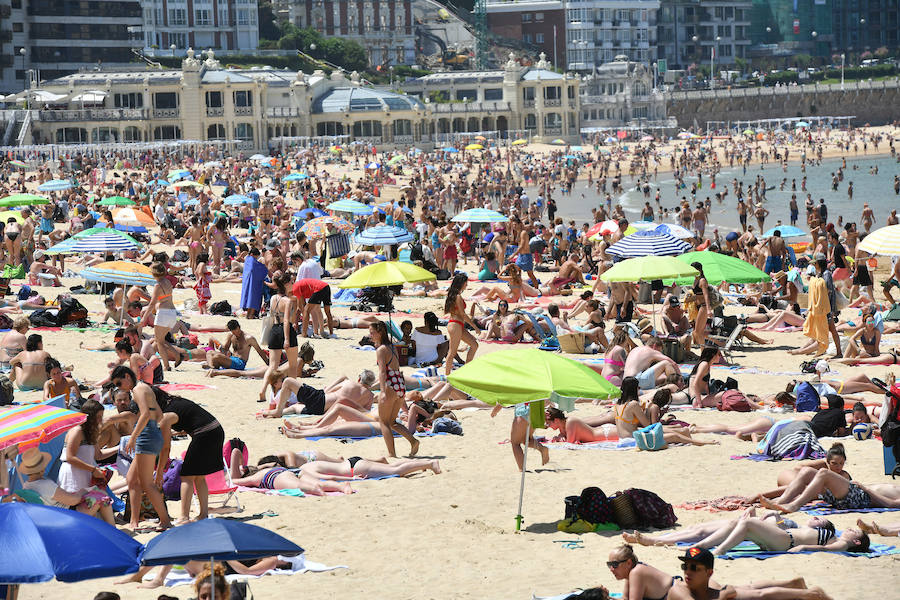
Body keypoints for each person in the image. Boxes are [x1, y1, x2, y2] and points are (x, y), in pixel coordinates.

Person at [110, 366, 172, 532]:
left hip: (146, 435)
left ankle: (165, 520)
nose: (119, 387)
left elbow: (144, 414)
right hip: (151, 433)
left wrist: (133, 437)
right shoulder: (146, 387)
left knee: (146, 483)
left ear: (126, 376)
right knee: (131, 479)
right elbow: (158, 415)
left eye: (119, 382)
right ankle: (134, 520)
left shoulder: (137, 389)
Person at [155, 390, 225, 523]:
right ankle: (203, 514)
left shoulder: (166, 416)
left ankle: (184, 516)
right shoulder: (176, 402)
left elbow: (166, 449)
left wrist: (159, 472)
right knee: (199, 476)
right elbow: (191, 419)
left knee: (187, 476)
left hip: (204, 434)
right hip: (216, 430)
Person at [668, 546, 835, 600]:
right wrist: (723, 595)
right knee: (748, 589)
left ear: (709, 572)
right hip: (713, 592)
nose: (687, 572)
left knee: (757, 593)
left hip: (711, 591)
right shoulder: (678, 590)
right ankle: (795, 585)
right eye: (685, 567)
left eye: (694, 568)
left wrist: (724, 594)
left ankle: (809, 594)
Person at [55, 399, 116, 525]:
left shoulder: (91, 433)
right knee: (77, 505)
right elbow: (70, 457)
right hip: (72, 475)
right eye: (98, 417)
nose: (100, 420)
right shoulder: (77, 431)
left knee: (94, 502)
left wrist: (119, 448)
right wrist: (93, 470)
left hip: (85, 474)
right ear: (90, 416)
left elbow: (98, 455)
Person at [370, 319, 419, 457]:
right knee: (392, 422)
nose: (370, 335)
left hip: (390, 385)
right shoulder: (391, 347)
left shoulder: (381, 350)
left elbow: (382, 372)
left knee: (384, 422)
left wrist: (383, 392)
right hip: (400, 384)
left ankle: (392, 454)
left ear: (380, 333)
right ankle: (413, 441)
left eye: (372, 333)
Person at [261, 272, 299, 402]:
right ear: (286, 284)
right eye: (291, 282)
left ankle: (262, 390)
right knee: (293, 365)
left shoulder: (273, 298)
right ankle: (293, 392)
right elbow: (288, 320)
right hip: (285, 330)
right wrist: (287, 339)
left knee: (272, 366)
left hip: (274, 330)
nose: (293, 284)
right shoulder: (287, 301)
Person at [140, 262, 178, 372]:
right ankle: (177, 355)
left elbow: (152, 303)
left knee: (159, 342)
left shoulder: (158, 285)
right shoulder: (167, 281)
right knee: (160, 340)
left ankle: (166, 366)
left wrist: (144, 317)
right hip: (172, 312)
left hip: (163, 313)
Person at [607, 544, 677, 600]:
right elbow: (625, 598)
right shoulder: (630, 573)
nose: (611, 569)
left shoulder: (636, 572)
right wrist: (607, 597)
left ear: (628, 563)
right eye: (609, 565)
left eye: (615, 564)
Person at [443, 273, 479, 376]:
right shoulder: (457, 297)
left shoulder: (454, 295)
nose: (466, 285)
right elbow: (463, 314)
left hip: (457, 325)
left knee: (474, 345)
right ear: (461, 283)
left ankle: (465, 372)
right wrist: (475, 326)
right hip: (455, 325)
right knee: (452, 352)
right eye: (466, 283)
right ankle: (447, 376)